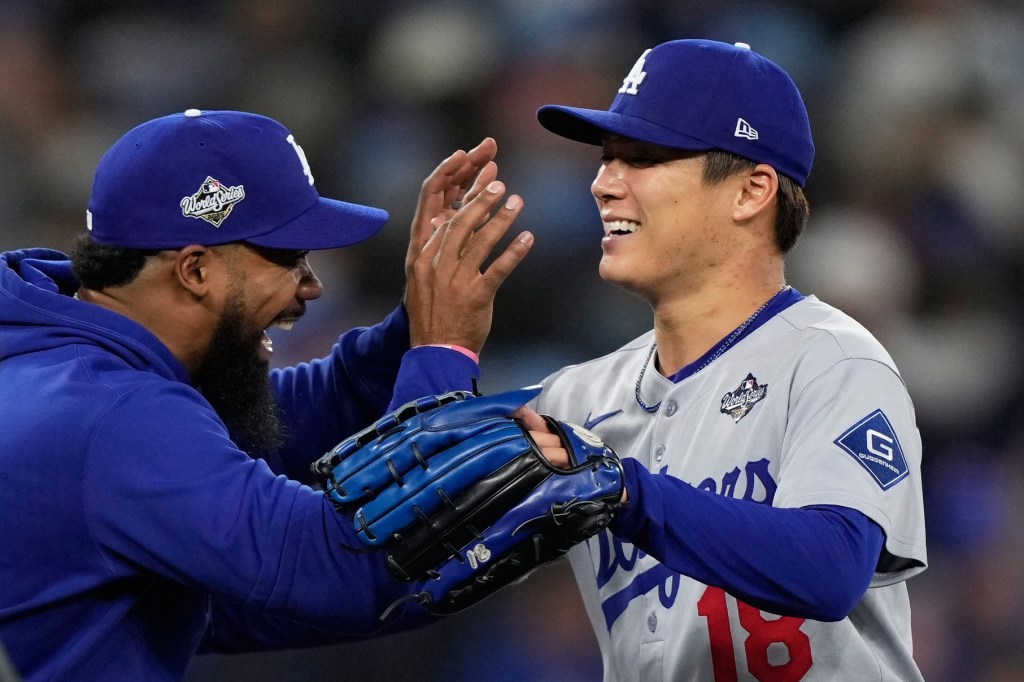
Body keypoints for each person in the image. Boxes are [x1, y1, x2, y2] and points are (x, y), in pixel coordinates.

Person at [0, 109, 536, 680]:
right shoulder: (115, 417)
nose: (312, 284)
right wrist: (444, 348)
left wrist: (410, 332)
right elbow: (348, 565)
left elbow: (263, 431)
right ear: (195, 271)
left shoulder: (53, 358)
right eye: (288, 257)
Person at [528, 39, 927, 680]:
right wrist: (434, 347)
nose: (603, 183)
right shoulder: (573, 402)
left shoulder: (832, 360)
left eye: (644, 158)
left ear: (750, 191)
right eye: (607, 160)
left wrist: (628, 493)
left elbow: (829, 570)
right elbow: (393, 571)